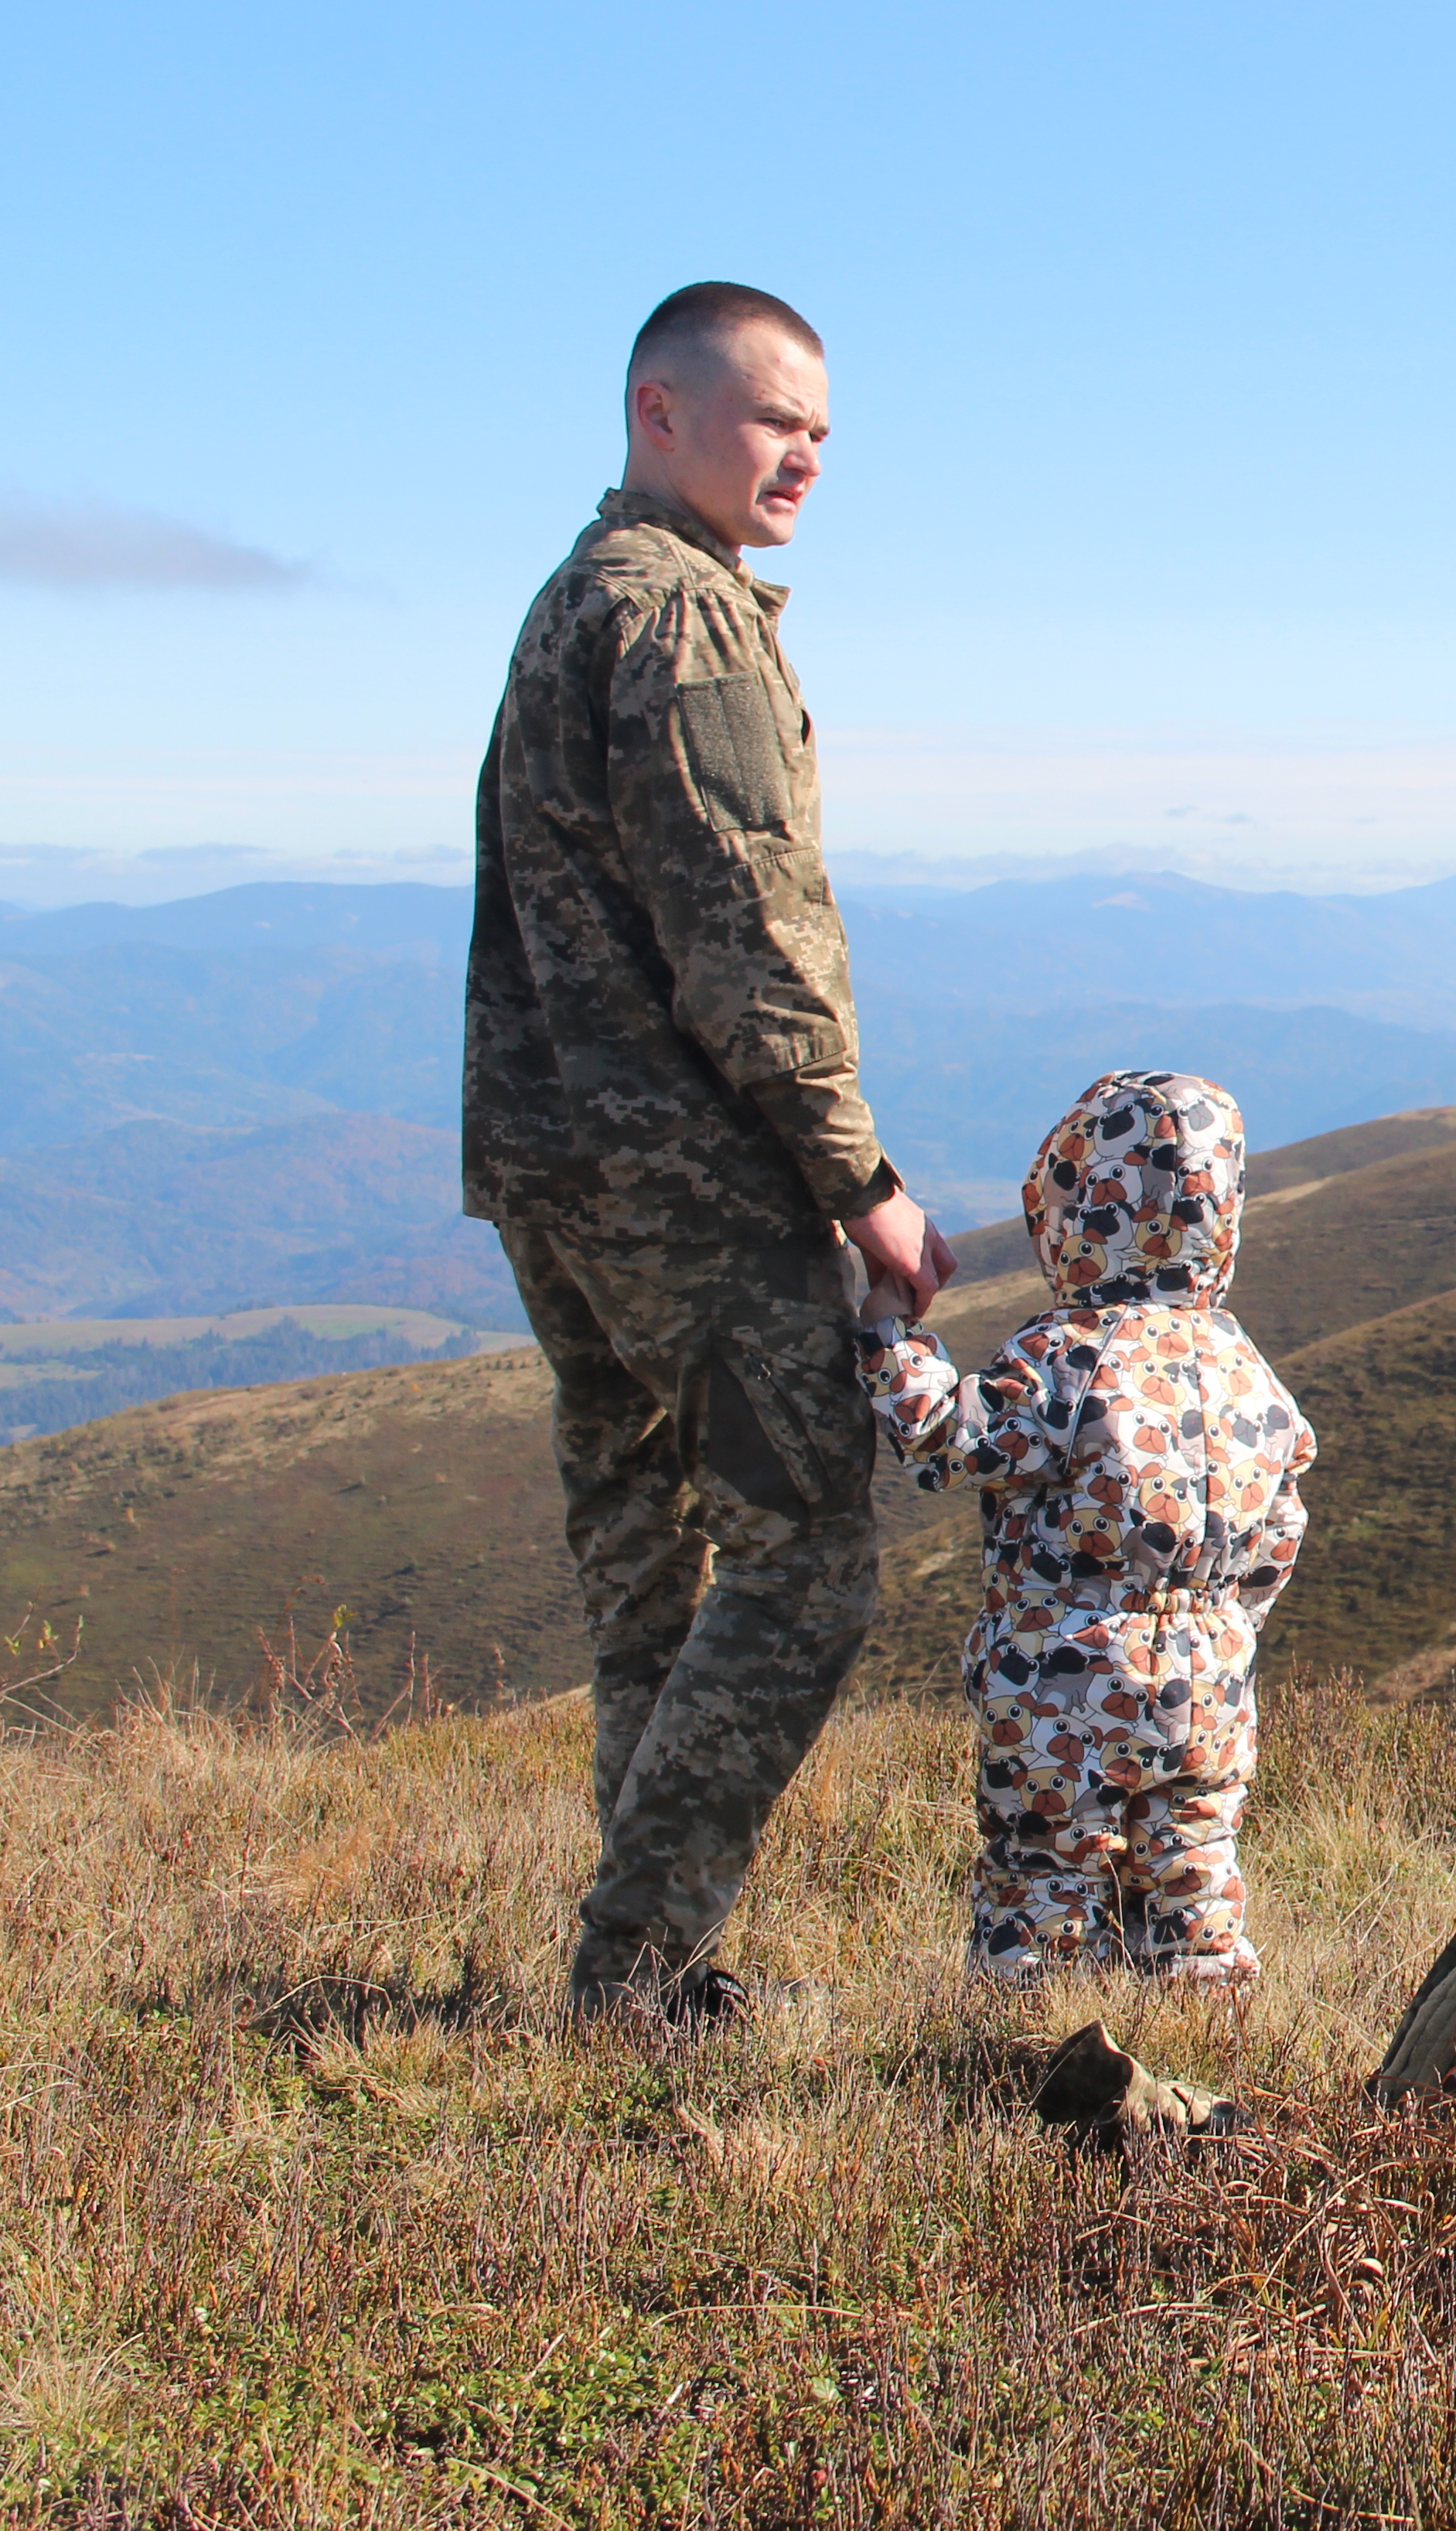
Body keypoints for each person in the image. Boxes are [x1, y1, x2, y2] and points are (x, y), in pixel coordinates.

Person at [463, 280, 956, 2021]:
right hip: (689, 1184)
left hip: (553, 1174)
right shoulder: (684, 623)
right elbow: (744, 927)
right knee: (809, 1565)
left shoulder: (571, 601)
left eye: (822, 431)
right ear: (658, 413)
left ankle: (642, 1971)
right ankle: (638, 1961)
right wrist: (860, 1183)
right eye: (772, 419)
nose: (805, 455)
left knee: (643, 1568)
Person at [858, 1071, 1316, 1982]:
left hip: (1061, 1681)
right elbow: (1279, 1532)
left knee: (1045, 1877)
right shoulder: (1247, 1365)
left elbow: (951, 1440)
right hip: (1212, 1683)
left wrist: (884, 1334)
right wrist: (1216, 1623)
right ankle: (1207, 2034)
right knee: (1194, 1871)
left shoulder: (1066, 1354)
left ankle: (1042, 2043)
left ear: (1067, 1212)